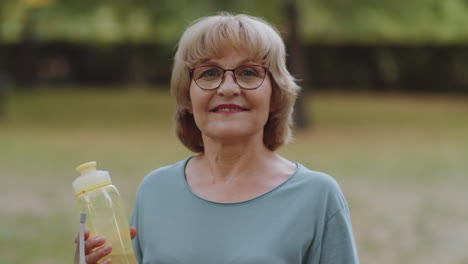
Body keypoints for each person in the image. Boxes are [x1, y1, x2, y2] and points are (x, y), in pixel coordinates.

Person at [79, 13, 359, 264]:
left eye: (249, 72)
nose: (227, 88)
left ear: (275, 95)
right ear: (188, 95)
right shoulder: (155, 190)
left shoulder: (317, 196)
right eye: (209, 73)